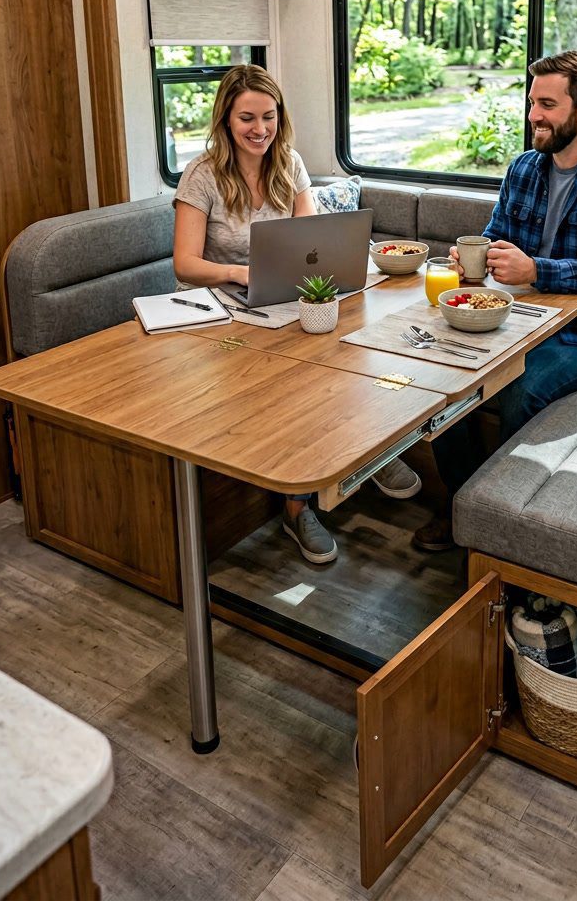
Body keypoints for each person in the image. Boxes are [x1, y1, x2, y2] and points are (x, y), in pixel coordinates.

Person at [173, 65, 420, 565]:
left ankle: (368, 453)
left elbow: (308, 241)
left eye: (268, 116)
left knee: (350, 353)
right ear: (225, 119)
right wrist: (242, 273)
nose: (259, 129)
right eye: (247, 118)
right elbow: (185, 264)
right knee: (292, 383)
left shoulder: (289, 164)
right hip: (223, 307)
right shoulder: (202, 175)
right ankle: (295, 508)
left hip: (279, 297)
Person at [413, 49, 577, 551]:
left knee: (523, 389)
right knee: (442, 372)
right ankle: (465, 504)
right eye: (531, 102)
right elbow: (495, 235)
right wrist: (471, 256)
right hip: (521, 317)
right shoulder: (524, 168)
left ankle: (500, 531)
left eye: (547, 104)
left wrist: (537, 270)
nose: (533, 116)